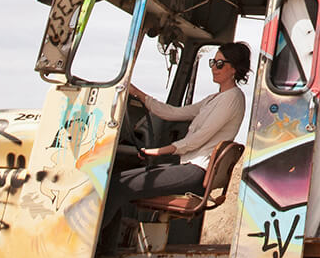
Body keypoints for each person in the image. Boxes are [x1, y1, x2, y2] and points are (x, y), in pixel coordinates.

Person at [102, 42, 250, 235]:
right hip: (191, 167)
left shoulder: (232, 98)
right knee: (115, 181)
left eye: (220, 64)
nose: (214, 67)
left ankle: (90, 247)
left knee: (119, 186)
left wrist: (160, 151)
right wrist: (138, 94)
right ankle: (104, 253)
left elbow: (198, 138)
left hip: (197, 171)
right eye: (213, 62)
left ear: (234, 69)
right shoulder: (214, 98)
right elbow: (174, 113)